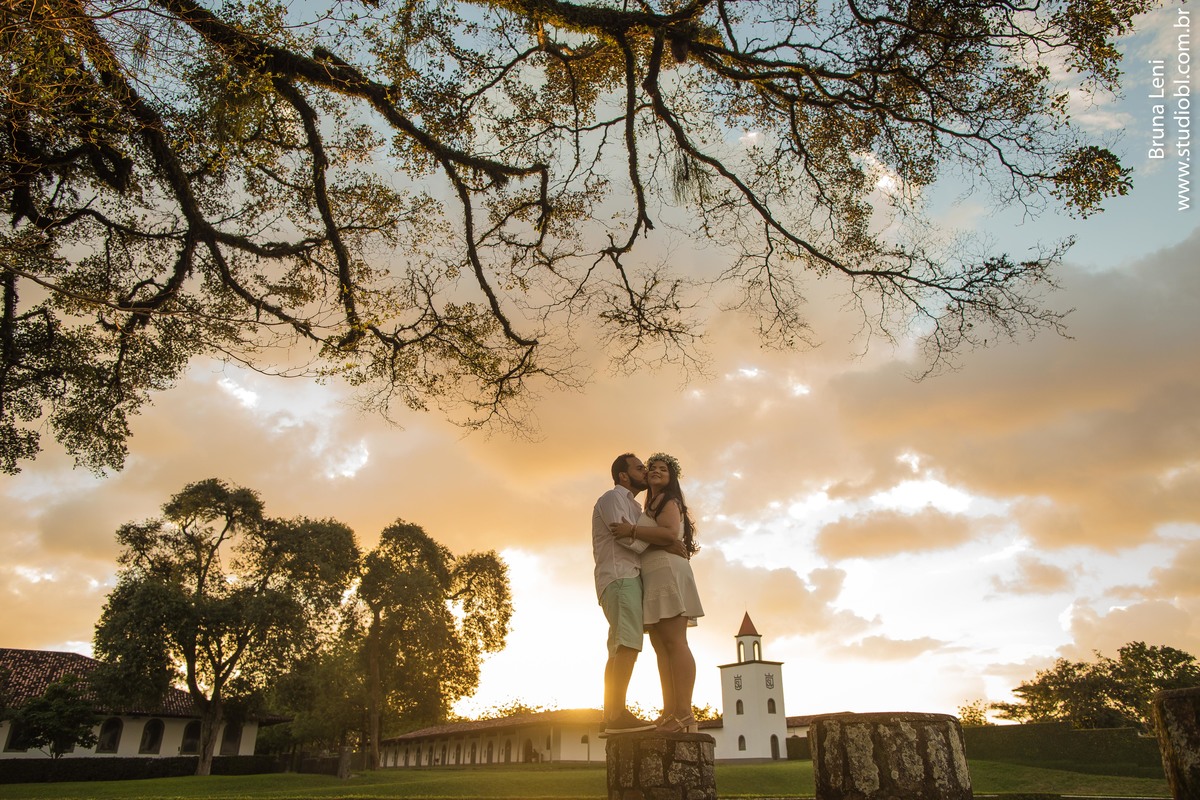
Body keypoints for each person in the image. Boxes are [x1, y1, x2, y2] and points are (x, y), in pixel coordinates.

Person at [609, 452, 703, 733]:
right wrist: (657, 540)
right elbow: (662, 538)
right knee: (661, 649)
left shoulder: (669, 500)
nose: (656, 471)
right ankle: (669, 712)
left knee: (675, 643)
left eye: (663, 469)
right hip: (653, 574)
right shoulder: (648, 506)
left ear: (671, 477)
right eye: (652, 468)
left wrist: (633, 530)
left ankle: (685, 714)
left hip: (668, 573)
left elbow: (669, 533)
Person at [592, 453, 657, 736]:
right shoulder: (612, 498)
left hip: (625, 579)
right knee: (628, 644)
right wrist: (656, 540)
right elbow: (627, 537)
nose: (645, 472)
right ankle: (617, 715)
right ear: (623, 475)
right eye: (639, 468)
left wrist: (641, 534)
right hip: (620, 578)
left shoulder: (633, 506)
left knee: (620, 647)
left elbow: (635, 533)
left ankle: (612, 714)